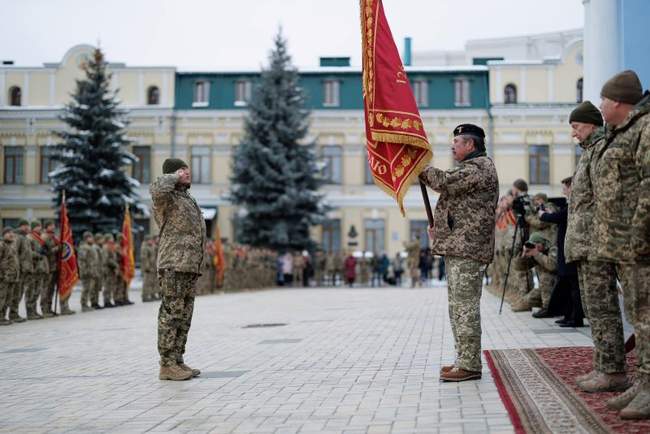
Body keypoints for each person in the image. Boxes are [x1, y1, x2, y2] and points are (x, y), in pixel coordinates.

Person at [591, 70, 650, 418]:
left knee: (646, 318)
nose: (600, 106)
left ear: (617, 101)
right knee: (637, 316)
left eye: (603, 99)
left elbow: (648, 186)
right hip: (621, 245)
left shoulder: (644, 129)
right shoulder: (620, 133)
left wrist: (639, 238)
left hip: (637, 244)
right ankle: (643, 382)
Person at [420, 123, 499, 382]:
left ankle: (470, 364)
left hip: (469, 249)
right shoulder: (471, 169)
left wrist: (417, 165)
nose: (452, 146)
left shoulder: (480, 169)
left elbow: (444, 182)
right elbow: (458, 207)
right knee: (457, 307)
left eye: (457, 142)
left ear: (470, 145)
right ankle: (463, 359)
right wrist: (440, 229)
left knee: (465, 307)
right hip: (459, 246)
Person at [563, 100, 628, 393]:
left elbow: (605, 200)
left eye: (576, 127)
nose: (574, 133)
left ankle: (613, 371)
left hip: (596, 244)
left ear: (591, 124)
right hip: (585, 245)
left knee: (604, 309)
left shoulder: (601, 151)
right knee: (595, 309)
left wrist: (602, 243)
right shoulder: (590, 152)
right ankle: (603, 365)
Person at [151, 158, 206, 381]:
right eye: (181, 170)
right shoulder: (166, 198)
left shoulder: (187, 199)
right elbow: (156, 187)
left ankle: (177, 360)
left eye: (187, 169)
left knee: (184, 316)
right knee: (171, 314)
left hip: (189, 266)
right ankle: (166, 364)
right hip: (173, 264)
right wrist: (173, 177)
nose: (187, 172)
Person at [540, 177, 584, 327]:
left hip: (571, 250)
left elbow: (559, 217)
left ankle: (575, 318)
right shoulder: (570, 203)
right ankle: (568, 315)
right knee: (567, 285)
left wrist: (543, 215)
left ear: (572, 187)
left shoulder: (575, 203)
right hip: (565, 249)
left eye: (565, 187)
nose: (563, 190)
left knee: (573, 287)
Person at [513, 232, 557, 314]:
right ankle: (550, 305)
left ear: (542, 243)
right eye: (533, 245)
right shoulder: (535, 253)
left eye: (537, 245)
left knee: (545, 277)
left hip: (556, 287)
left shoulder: (553, 249)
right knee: (522, 303)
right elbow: (519, 268)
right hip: (543, 289)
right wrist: (524, 254)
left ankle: (547, 308)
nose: (535, 247)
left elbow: (552, 266)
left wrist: (537, 254)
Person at [0, 228, 20, 325]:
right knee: (1, 297)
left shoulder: (12, 245)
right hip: (4, 277)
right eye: (8, 233)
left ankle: (3, 316)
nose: (11, 234)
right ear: (4, 234)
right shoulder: (1, 245)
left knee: (8, 298)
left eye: (12, 232)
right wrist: (2, 275)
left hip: (12, 277)